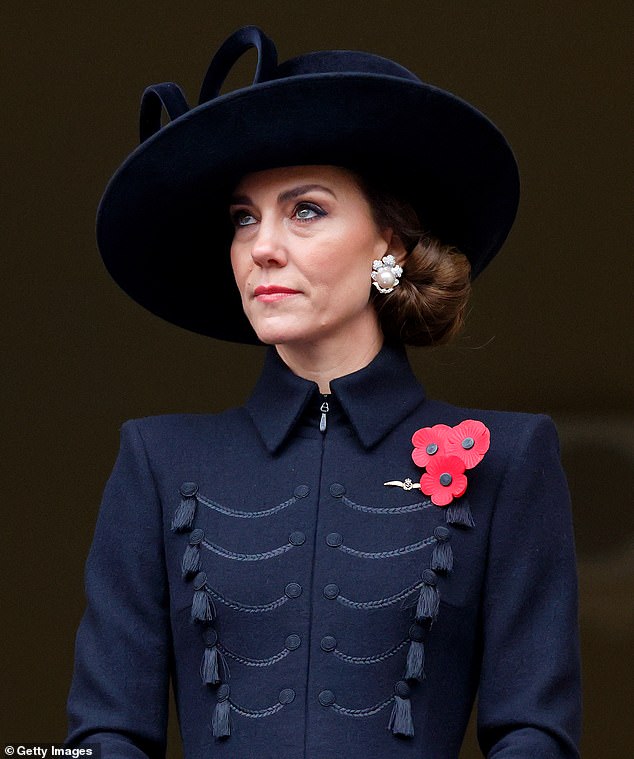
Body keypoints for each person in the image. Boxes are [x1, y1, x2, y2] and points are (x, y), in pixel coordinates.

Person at [65, 25, 582, 759]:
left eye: (305, 209)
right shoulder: (155, 459)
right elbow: (100, 736)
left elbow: (536, 734)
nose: (262, 245)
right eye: (244, 217)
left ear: (390, 245)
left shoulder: (510, 457)